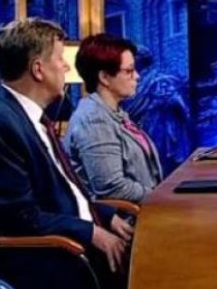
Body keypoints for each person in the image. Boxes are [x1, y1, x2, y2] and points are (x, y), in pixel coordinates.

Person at [0, 19, 133, 289]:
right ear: (38, 69)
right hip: (42, 264)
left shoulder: (25, 116)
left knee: (162, 247)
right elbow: (20, 219)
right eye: (60, 59)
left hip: (67, 246)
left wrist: (105, 216)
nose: (66, 67)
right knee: (162, 263)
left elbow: (62, 193)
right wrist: (93, 233)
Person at [64, 34, 163, 204]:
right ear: (104, 77)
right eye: (129, 71)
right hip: (128, 216)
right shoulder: (94, 119)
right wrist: (161, 198)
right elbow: (112, 187)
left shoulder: (114, 112)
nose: (137, 76)